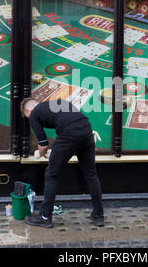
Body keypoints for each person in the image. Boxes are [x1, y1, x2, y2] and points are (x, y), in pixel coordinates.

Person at [20, 97, 104, 228]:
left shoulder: (34, 114)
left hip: (68, 134)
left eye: (27, 116)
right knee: (91, 175)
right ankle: (99, 216)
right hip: (86, 130)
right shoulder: (57, 102)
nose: (29, 119)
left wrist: (41, 155)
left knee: (51, 174)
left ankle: (45, 217)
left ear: (28, 110)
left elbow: (43, 145)